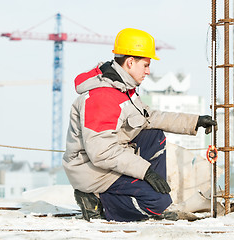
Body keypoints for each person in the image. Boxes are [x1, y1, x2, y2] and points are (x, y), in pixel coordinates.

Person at [63, 28, 217, 222]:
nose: (148, 71)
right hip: (92, 171)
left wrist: (194, 121)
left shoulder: (122, 89)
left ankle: (152, 195)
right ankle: (97, 200)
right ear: (130, 62)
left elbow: (149, 117)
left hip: (109, 161)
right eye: (145, 65)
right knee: (156, 203)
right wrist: (146, 172)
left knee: (154, 135)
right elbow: (101, 153)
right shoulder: (102, 97)